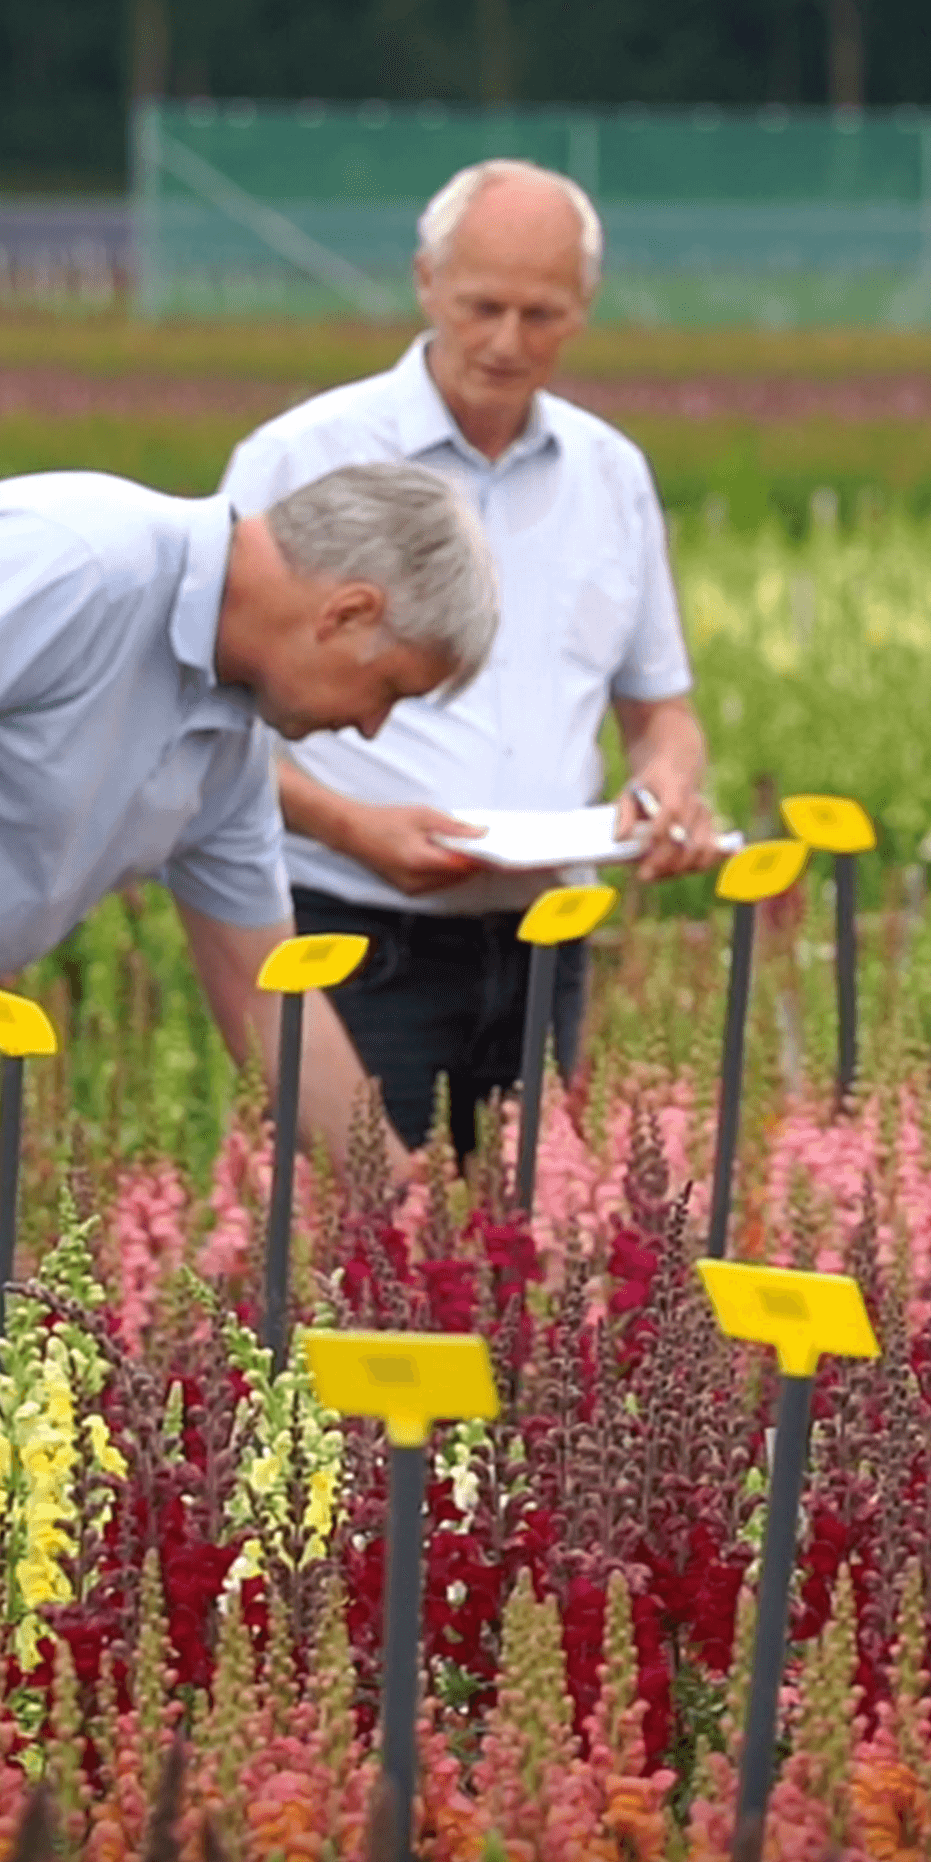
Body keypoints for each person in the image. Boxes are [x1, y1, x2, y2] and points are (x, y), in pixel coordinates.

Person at [0, 461, 498, 1267]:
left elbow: (269, 1001)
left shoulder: (228, 751)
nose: (373, 729)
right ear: (348, 613)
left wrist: (408, 1200)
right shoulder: (86, 561)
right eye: (390, 691)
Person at [221, 158, 721, 1163]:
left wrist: (669, 791)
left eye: (542, 314)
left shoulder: (610, 474)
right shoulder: (304, 458)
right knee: (360, 1255)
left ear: (584, 308)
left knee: (526, 1259)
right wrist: (352, 825)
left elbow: (658, 708)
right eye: (482, 306)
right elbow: (203, 719)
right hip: (353, 932)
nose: (506, 342)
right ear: (424, 282)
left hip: (545, 936)